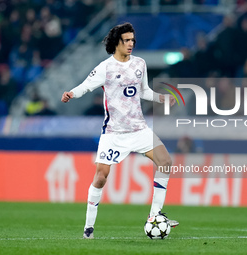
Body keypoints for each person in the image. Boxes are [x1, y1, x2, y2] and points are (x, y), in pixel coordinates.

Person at [61, 22, 179, 239]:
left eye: (133, 40)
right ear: (117, 42)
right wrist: (71, 93)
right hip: (113, 134)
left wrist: (161, 97)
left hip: (139, 129)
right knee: (101, 177)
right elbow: (86, 85)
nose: (131, 43)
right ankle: (88, 229)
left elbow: (143, 91)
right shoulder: (105, 68)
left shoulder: (140, 64)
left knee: (166, 162)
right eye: (127, 40)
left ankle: (154, 215)